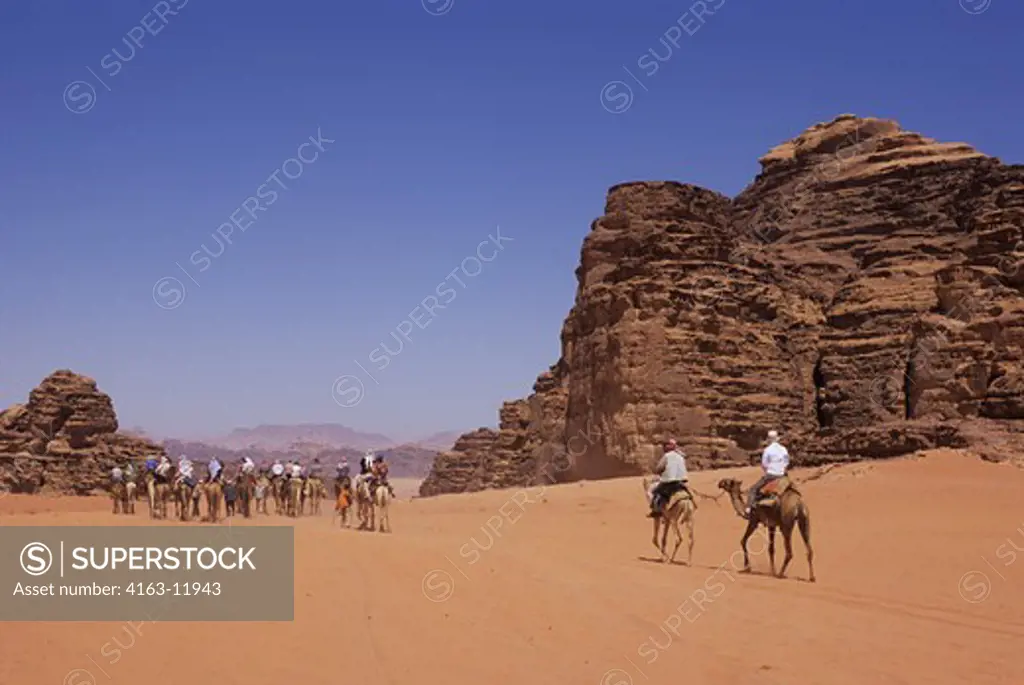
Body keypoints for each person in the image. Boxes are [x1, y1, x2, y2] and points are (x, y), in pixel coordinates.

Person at [745, 430, 789, 518]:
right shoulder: (783, 449)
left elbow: (764, 465)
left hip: (771, 475)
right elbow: (786, 462)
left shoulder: (767, 450)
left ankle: (749, 509)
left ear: (769, 440)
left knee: (753, 489)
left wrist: (769, 471)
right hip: (782, 475)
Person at [648, 439, 690, 518]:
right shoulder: (681, 456)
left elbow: (659, 468)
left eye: (665, 445)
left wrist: (658, 471)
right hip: (682, 481)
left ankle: (656, 511)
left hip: (670, 482)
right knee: (688, 493)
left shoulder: (667, 456)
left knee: (654, 491)